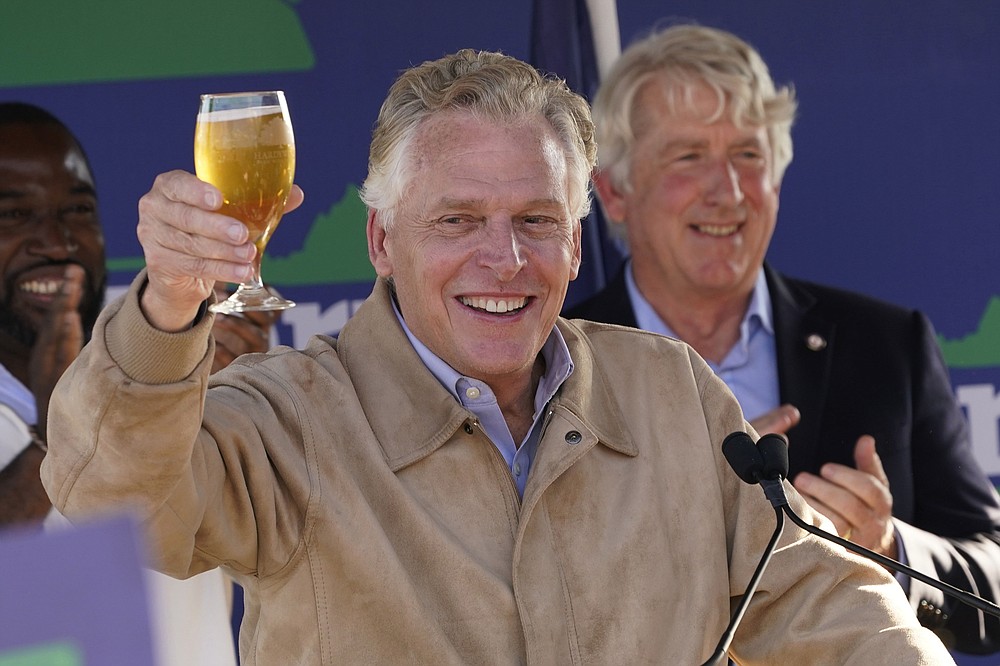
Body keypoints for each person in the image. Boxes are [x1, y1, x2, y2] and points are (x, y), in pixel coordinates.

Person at [40, 49, 955, 664]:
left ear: (577, 236)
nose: (503, 260)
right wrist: (166, 306)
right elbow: (114, 509)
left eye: (536, 222)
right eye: (458, 221)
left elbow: (824, 597)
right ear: (380, 240)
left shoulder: (669, 389)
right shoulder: (291, 414)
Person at [564, 24, 1000, 654]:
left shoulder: (885, 345)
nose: (729, 191)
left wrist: (890, 548)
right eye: (689, 157)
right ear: (613, 191)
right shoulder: (558, 363)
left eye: (748, 155)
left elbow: (991, 577)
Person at [0, 102, 273, 665]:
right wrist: (56, 430)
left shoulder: (171, 352)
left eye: (76, 210)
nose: (55, 242)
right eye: (12, 216)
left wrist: (196, 398)